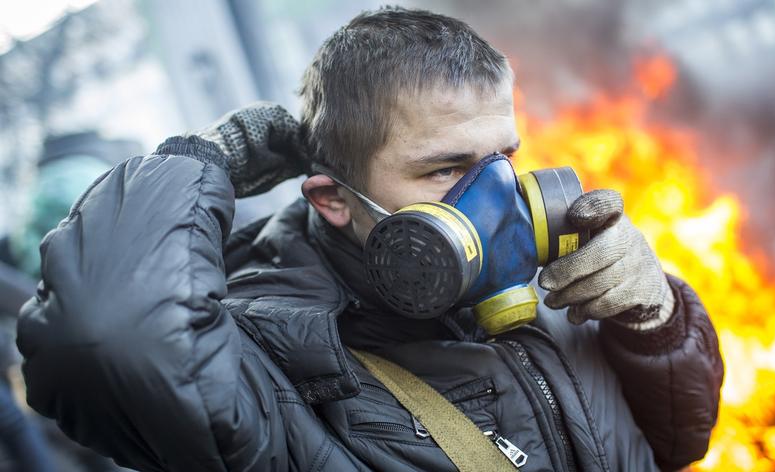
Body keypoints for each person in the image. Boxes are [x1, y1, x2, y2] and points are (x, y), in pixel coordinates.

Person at [17, 7, 723, 472]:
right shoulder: (276, 355)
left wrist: (654, 323)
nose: (499, 202)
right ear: (331, 200)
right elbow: (104, 339)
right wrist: (205, 162)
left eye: (503, 160)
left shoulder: (550, 276)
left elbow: (676, 443)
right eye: (445, 169)